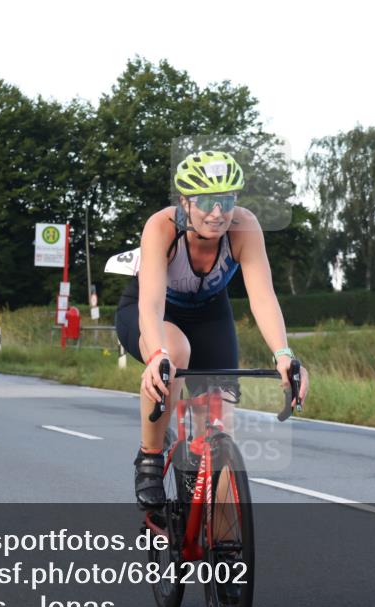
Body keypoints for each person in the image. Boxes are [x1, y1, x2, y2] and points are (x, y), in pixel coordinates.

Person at [115, 150, 310, 509]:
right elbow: (152, 304)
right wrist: (156, 354)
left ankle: (223, 548)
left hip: (209, 315)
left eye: (226, 200)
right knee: (174, 353)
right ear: (185, 202)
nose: (218, 213)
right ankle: (150, 458)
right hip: (153, 313)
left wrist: (284, 354)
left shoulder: (244, 228)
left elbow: (263, 297)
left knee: (219, 428)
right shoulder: (161, 227)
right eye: (206, 201)